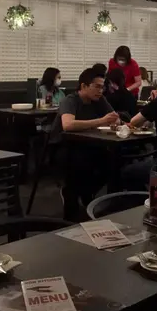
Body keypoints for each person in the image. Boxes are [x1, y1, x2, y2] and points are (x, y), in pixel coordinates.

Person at [50, 68, 120, 219]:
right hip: (64, 146)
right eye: (97, 87)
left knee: (113, 162)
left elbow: (115, 118)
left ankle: (88, 194)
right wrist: (101, 121)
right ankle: (73, 199)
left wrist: (114, 121)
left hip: (89, 144)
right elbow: (68, 125)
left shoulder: (99, 100)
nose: (100, 91)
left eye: (102, 87)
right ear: (83, 86)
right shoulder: (70, 100)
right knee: (81, 162)